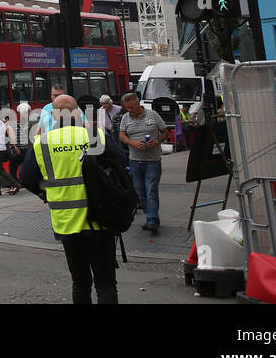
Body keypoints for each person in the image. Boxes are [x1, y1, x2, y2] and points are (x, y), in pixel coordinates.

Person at [18, 94, 123, 304]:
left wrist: (46, 194)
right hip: (100, 219)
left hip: (66, 222)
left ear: (54, 115)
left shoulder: (42, 143)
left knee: (80, 283)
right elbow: (122, 163)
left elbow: (26, 177)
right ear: (78, 113)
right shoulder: (95, 136)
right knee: (105, 283)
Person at [119, 91, 169, 234]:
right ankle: (151, 215)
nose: (130, 110)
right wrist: (132, 142)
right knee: (140, 193)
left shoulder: (152, 115)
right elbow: (122, 135)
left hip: (152, 160)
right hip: (135, 160)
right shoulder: (125, 118)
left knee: (151, 190)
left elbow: (165, 131)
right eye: (127, 108)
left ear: (138, 104)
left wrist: (157, 141)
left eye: (132, 107)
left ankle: (152, 220)